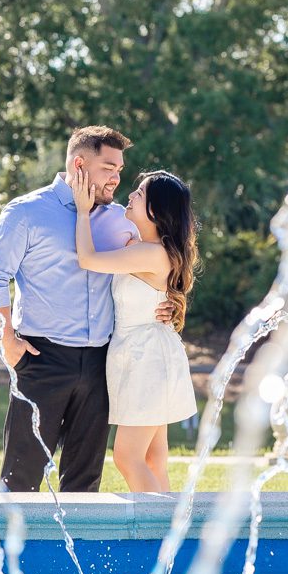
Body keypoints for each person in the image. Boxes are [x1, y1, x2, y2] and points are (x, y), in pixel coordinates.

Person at [0, 125, 171, 492]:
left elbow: (165, 260)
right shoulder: (27, 212)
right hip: (41, 358)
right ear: (79, 164)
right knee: (21, 479)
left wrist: (171, 302)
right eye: (108, 168)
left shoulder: (122, 218)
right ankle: (14, 550)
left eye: (119, 170)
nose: (116, 178)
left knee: (84, 484)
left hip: (101, 363)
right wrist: (7, 340)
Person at [72, 167, 199, 492]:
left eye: (139, 194)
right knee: (155, 458)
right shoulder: (147, 250)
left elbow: (87, 259)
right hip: (146, 354)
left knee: (127, 458)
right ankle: (169, 535)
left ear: (155, 211)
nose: (130, 195)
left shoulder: (149, 253)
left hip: (147, 360)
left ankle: (158, 535)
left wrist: (83, 211)